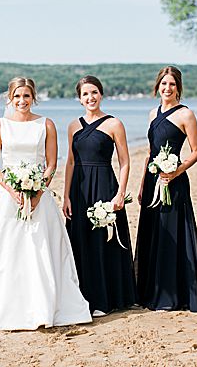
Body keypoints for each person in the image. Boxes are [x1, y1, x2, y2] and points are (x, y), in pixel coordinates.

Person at [0, 77, 92, 331]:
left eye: (27, 96)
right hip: (9, 198)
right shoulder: (0, 126)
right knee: (6, 250)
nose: (22, 101)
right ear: (10, 98)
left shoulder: (47, 125)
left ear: (34, 98)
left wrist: (38, 191)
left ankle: (44, 306)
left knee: (40, 249)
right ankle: (5, 307)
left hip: (38, 197)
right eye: (17, 96)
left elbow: (52, 163)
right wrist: (11, 190)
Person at [135, 66, 197, 312]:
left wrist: (175, 171)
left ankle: (175, 294)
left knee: (172, 234)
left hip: (173, 182)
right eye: (163, 84)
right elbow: (150, 152)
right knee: (153, 234)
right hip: (151, 180)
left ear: (178, 88)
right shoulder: (152, 113)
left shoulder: (185, 114)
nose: (167, 89)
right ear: (158, 86)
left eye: (172, 84)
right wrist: (142, 184)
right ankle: (152, 291)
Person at [63, 76, 137, 316]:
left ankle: (107, 298)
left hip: (105, 186)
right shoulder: (73, 126)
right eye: (85, 94)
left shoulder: (114, 123)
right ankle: (82, 297)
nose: (90, 98)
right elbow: (71, 161)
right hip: (79, 189)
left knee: (104, 243)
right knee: (80, 243)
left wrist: (120, 194)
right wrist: (66, 196)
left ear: (101, 94)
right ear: (80, 98)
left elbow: (125, 162)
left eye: (94, 92)